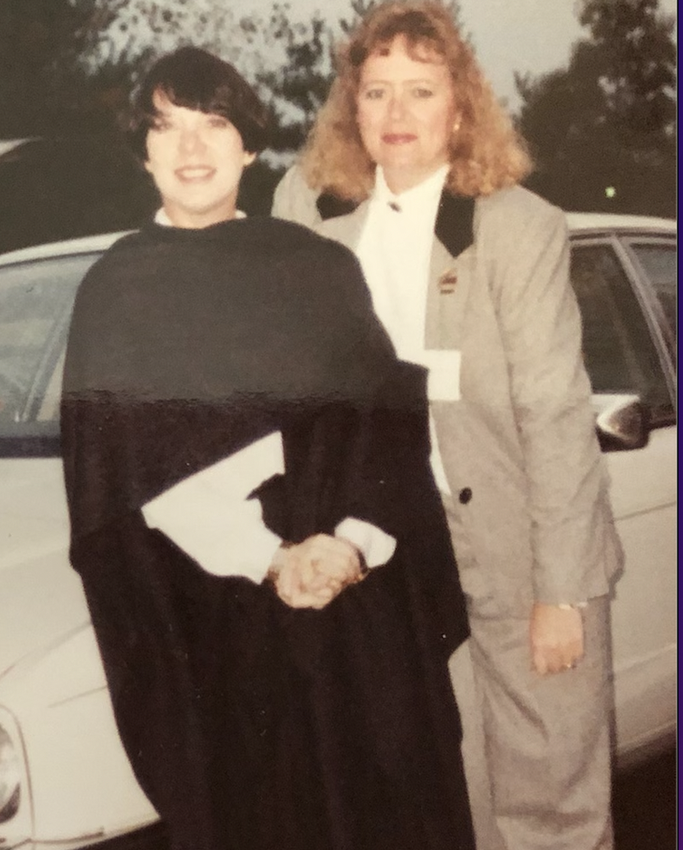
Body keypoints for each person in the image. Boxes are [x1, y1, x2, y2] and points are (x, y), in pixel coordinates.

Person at [60, 45, 475, 850]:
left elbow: (383, 422)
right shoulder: (118, 292)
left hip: (353, 614)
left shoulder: (314, 269)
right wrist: (266, 557)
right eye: (167, 128)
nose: (191, 149)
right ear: (141, 153)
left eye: (213, 125)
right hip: (217, 621)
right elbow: (126, 474)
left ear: (248, 145)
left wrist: (352, 544)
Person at [271, 4, 624, 849]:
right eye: (378, 92)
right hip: (387, 555)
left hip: (515, 547)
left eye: (420, 93)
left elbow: (553, 415)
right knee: (444, 805)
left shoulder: (515, 228)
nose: (396, 116)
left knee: (550, 811)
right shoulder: (309, 214)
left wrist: (560, 591)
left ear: (460, 109)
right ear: (351, 108)